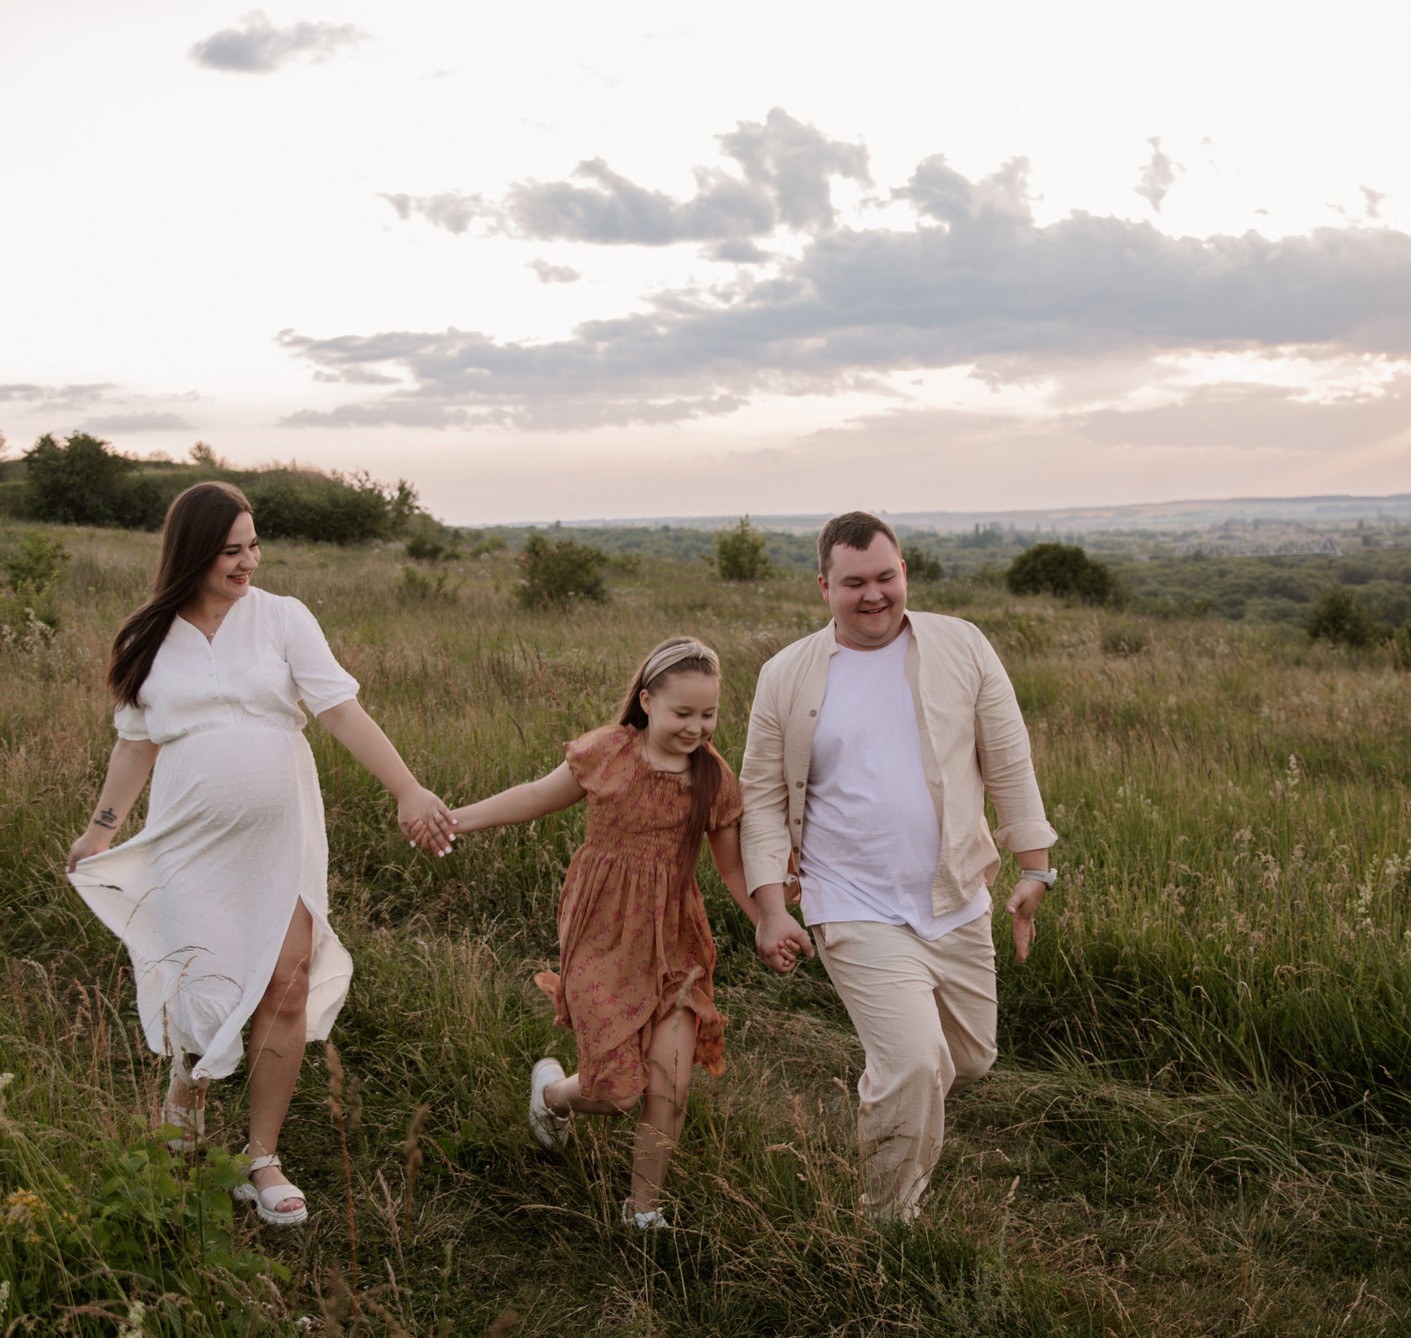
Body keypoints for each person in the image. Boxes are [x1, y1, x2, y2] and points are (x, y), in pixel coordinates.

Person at [66, 482, 454, 1227]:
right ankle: (187, 1102)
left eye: (253, 544)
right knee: (203, 985)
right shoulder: (146, 636)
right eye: (231, 549)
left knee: (286, 980)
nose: (249, 561)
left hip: (283, 836)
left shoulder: (283, 618)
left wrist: (408, 789)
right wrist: (101, 829)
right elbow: (135, 742)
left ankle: (261, 1156)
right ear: (191, 554)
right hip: (191, 837)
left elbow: (340, 709)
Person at [740, 512, 1057, 1223]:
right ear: (825, 585)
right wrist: (770, 907)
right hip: (849, 900)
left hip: (955, 895)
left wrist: (1034, 868)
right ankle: (886, 1223)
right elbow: (758, 801)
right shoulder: (785, 676)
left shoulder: (962, 645)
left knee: (967, 1058)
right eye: (855, 582)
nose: (874, 594)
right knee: (915, 1062)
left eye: (886, 577)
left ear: (904, 570)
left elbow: (1009, 759)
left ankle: (892, 1089)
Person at [447, 636, 756, 1229]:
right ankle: (553, 1096)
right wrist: (457, 820)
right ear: (646, 701)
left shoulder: (713, 779)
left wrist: (771, 920)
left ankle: (643, 1212)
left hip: (675, 940)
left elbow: (732, 867)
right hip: (602, 932)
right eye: (683, 713)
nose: (697, 727)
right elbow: (537, 797)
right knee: (615, 1092)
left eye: (709, 714)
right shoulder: (608, 753)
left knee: (669, 1081)